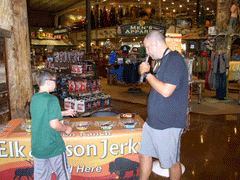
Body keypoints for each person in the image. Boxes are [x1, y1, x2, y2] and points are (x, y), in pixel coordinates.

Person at [138, 30, 188, 180]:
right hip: (153, 122)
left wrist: (147, 74)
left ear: (155, 43)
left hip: (168, 124)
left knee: (171, 162)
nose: (147, 52)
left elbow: (166, 91)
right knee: (144, 154)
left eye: (147, 47)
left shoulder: (175, 60)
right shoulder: (163, 61)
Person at [30, 68, 76, 180]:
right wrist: (66, 129)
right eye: (55, 81)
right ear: (48, 81)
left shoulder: (34, 98)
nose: (56, 84)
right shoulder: (52, 99)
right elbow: (54, 124)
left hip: (38, 146)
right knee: (63, 175)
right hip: (53, 145)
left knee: (41, 177)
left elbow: (44, 114)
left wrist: (64, 112)